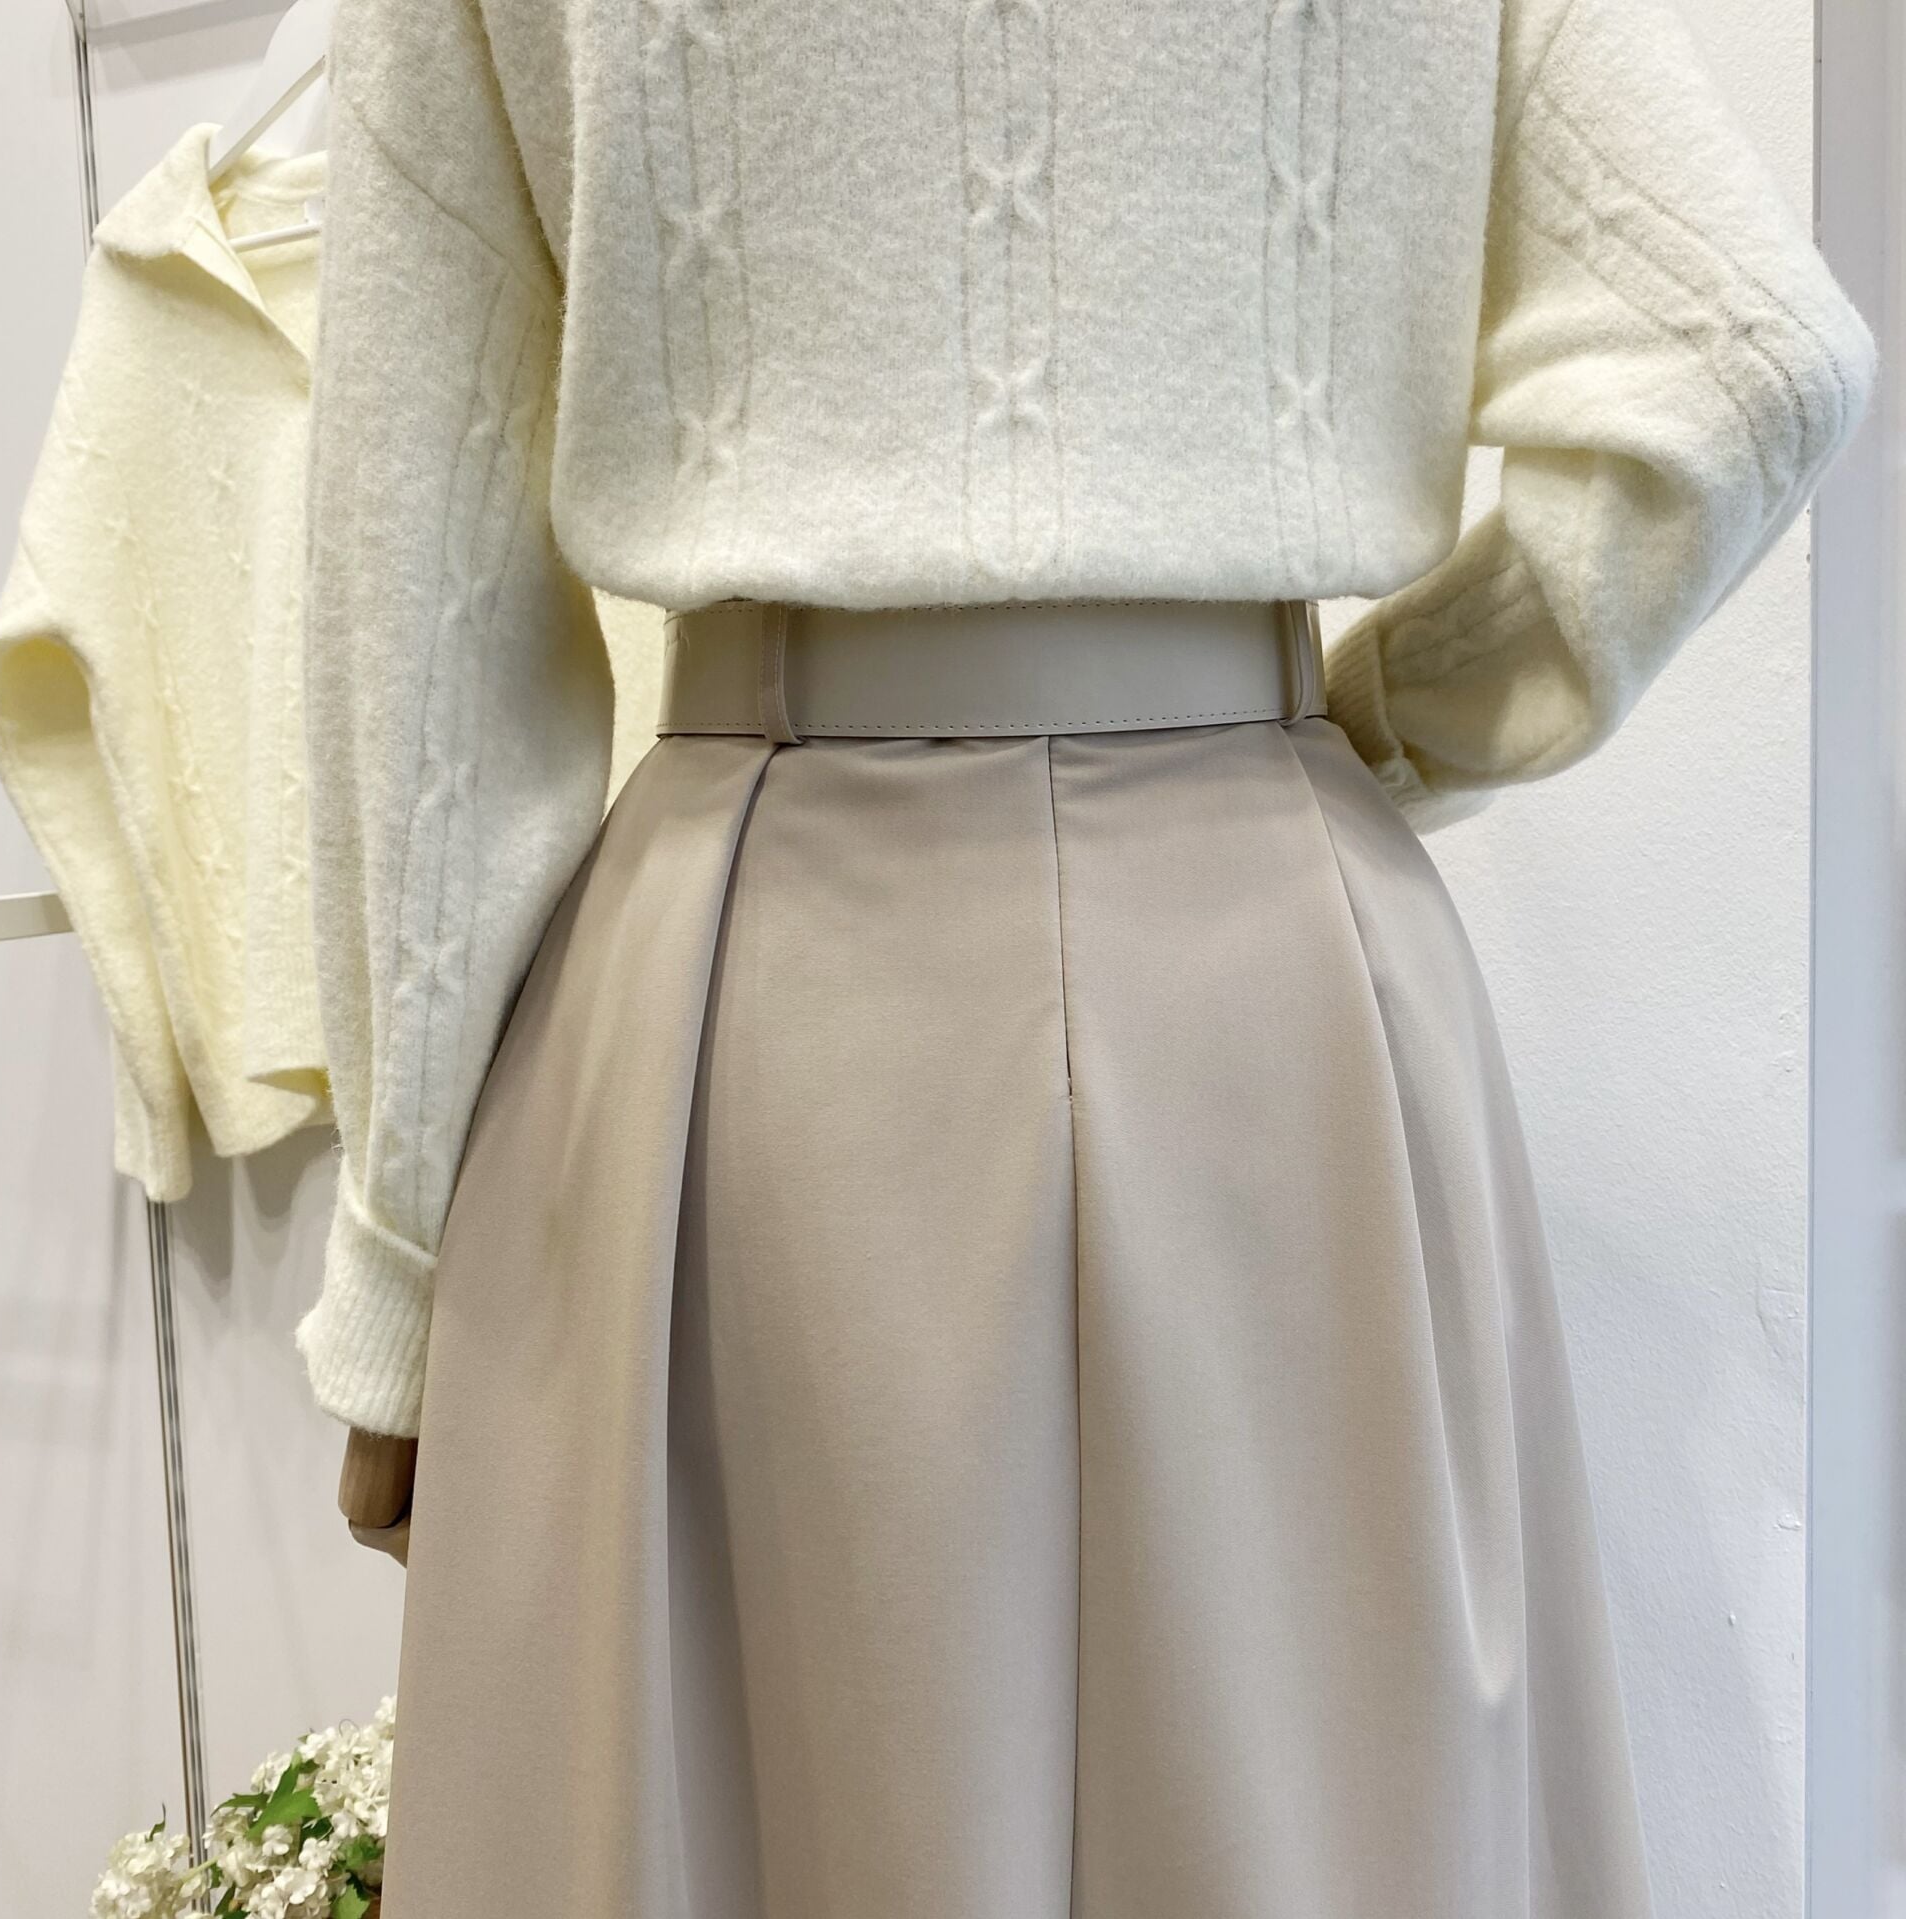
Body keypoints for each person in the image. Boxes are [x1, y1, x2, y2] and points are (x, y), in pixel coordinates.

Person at [294, 0, 1875, 1911]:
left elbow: (427, 578)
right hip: (1283, 994)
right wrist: (1384, 727)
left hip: (753, 1015)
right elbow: (1746, 365)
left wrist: (404, 1269)